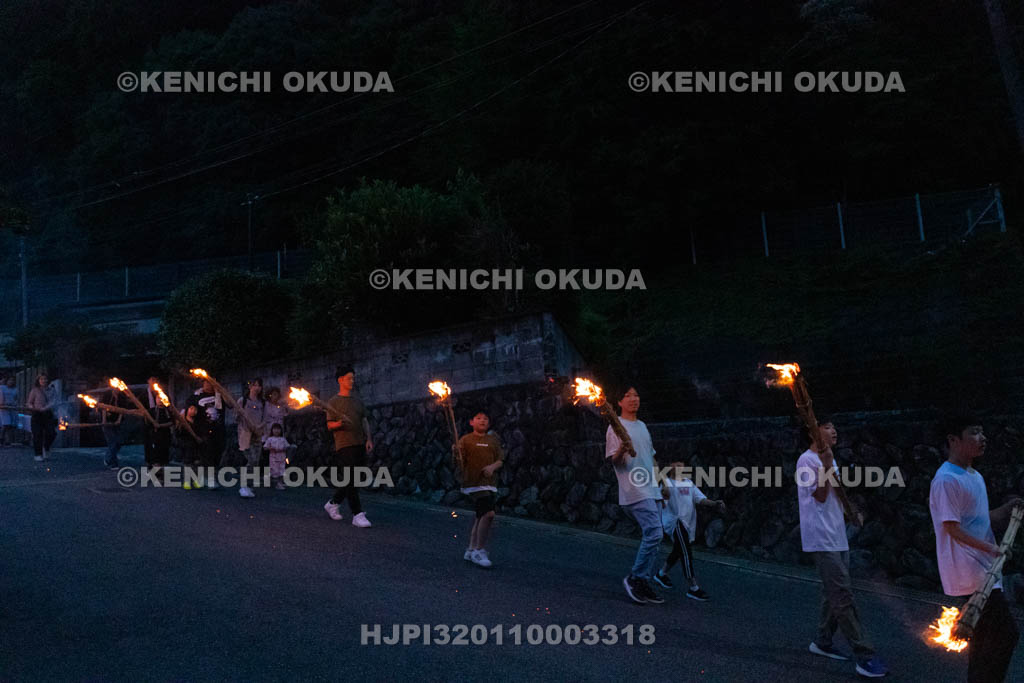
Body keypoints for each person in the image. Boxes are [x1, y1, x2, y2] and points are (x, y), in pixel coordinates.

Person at [929, 412, 1021, 683]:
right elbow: (952, 528)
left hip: (986, 569)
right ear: (953, 440)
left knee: (985, 642)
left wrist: (1005, 511)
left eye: (982, 432)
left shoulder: (973, 475)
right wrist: (993, 550)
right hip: (968, 572)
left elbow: (978, 518)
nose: (982, 438)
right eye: (974, 432)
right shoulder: (946, 480)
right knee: (1005, 634)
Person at [797, 417, 887, 678]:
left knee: (832, 592)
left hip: (836, 534)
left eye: (834, 426)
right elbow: (820, 494)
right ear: (812, 431)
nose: (834, 431)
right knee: (842, 594)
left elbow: (836, 493)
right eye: (827, 427)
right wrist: (825, 466)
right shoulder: (806, 460)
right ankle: (865, 654)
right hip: (820, 537)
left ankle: (823, 641)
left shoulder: (828, 458)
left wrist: (852, 513)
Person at [605, 385, 665, 605]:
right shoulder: (615, 427)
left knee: (655, 538)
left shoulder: (642, 426)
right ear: (618, 403)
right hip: (634, 489)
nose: (633, 399)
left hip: (652, 488)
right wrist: (623, 448)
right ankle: (635, 578)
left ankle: (643, 581)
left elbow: (651, 457)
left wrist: (662, 483)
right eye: (627, 395)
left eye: (636, 394)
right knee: (655, 533)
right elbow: (615, 461)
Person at [652, 461, 725, 600]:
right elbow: (662, 499)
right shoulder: (667, 483)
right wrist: (663, 492)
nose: (680, 466)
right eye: (677, 465)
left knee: (678, 550)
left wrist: (715, 504)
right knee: (686, 552)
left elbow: (700, 499)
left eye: (682, 465)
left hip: (688, 524)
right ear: (671, 468)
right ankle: (693, 588)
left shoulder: (689, 483)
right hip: (675, 522)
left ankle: (661, 574)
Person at [323, 365, 374, 528]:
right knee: (351, 478)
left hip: (359, 442)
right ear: (340, 380)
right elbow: (330, 425)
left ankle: (333, 503)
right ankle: (357, 514)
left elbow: (364, 420)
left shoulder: (357, 401)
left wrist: (369, 439)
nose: (352, 380)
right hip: (344, 445)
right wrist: (340, 423)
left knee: (353, 479)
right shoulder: (333, 402)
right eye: (349, 378)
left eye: (353, 377)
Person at [457, 411, 504, 568]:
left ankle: (470, 550)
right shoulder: (465, 440)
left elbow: (500, 459)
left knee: (480, 515)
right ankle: (479, 550)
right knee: (489, 514)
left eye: (485, 418)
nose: (482, 421)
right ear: (471, 422)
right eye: (478, 418)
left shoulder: (492, 440)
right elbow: (458, 462)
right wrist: (455, 452)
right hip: (473, 483)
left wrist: (492, 467)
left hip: (489, 483)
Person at [189, 378, 225, 489]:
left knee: (217, 454)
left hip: (218, 429)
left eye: (211, 383)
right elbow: (189, 411)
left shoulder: (220, 395)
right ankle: (209, 479)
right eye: (206, 383)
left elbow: (230, 404)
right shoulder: (196, 396)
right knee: (206, 455)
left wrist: (220, 391)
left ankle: (207, 478)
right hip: (202, 430)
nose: (208, 385)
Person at [236, 378, 265, 498]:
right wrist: (248, 426)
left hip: (257, 434)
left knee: (256, 462)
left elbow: (265, 418)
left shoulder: (262, 402)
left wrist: (258, 427)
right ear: (250, 387)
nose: (257, 388)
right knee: (250, 460)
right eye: (255, 385)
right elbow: (237, 418)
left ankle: (249, 485)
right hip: (245, 434)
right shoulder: (242, 401)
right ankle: (243, 486)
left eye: (259, 386)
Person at [144, 377, 173, 476]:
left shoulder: (168, 411)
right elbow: (148, 422)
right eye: (158, 398)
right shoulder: (152, 411)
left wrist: (161, 425)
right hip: (154, 436)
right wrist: (153, 424)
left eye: (161, 398)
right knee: (154, 454)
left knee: (164, 453)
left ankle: (160, 472)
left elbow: (172, 422)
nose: (160, 400)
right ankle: (154, 472)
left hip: (165, 435)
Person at [26, 373, 57, 462]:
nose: (43, 381)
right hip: (37, 414)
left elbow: (54, 401)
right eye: (41, 379)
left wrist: (45, 408)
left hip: (48, 414)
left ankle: (46, 447)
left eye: (45, 379)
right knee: (37, 434)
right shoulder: (35, 390)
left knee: (52, 433)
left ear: (48, 380)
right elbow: (29, 402)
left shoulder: (52, 390)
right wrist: (31, 407)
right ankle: (38, 454)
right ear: (38, 381)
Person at [100, 382, 131, 469]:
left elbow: (122, 410)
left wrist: (118, 420)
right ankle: (112, 462)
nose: (117, 389)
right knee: (112, 442)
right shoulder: (107, 395)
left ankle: (109, 459)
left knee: (118, 442)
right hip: (108, 422)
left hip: (117, 422)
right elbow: (103, 408)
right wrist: (104, 421)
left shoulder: (121, 397)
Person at [175, 404, 203, 490]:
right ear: (187, 409)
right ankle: (187, 481)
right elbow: (178, 434)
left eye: (195, 410)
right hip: (186, 445)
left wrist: (199, 438)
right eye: (191, 409)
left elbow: (200, 433)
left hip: (195, 445)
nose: (193, 411)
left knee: (195, 463)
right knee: (187, 464)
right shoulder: (182, 421)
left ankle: (195, 480)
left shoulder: (197, 422)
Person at [264, 423, 290, 491]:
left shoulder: (283, 439)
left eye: (278, 429)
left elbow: (287, 446)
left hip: (282, 458)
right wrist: (271, 448)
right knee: (273, 470)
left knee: (281, 470)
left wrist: (284, 449)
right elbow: (265, 447)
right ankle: (269, 481)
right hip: (273, 458)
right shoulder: (270, 439)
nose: (276, 431)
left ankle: (279, 483)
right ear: (272, 430)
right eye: (275, 429)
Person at [1, 375, 19, 446]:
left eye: (13, 380)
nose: (11, 382)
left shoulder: (15, 389)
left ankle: (7, 440)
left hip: (12, 407)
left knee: (11, 425)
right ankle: (2, 438)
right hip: (4, 408)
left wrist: (15, 404)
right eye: (10, 380)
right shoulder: (2, 388)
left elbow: (16, 398)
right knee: (6, 424)